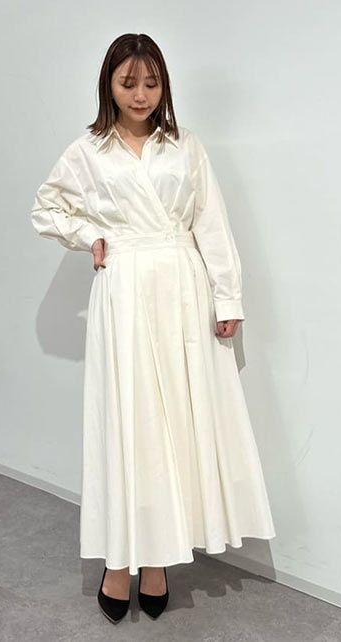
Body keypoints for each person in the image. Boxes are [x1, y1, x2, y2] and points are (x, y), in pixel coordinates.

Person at [30, 33, 276, 624]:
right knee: (130, 422)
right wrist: (89, 235)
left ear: (164, 85)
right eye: (128, 82)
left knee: (178, 426)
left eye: (151, 82)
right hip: (124, 292)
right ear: (109, 85)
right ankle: (121, 560)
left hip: (183, 290)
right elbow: (46, 207)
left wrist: (228, 295)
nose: (140, 94)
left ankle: (161, 557)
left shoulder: (185, 146)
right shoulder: (89, 150)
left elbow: (210, 222)